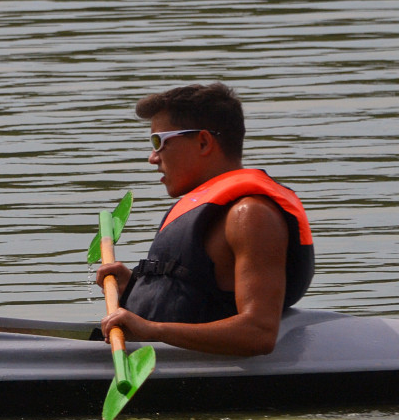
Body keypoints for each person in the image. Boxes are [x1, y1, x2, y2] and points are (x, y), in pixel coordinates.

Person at [96, 82, 313, 356]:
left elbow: (259, 333)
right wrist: (133, 288)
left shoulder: (250, 216)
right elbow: (196, 295)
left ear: (203, 142)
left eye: (159, 142)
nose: (152, 158)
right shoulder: (204, 210)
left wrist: (152, 330)